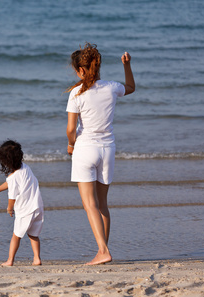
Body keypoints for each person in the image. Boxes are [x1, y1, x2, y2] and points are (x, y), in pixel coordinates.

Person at [66, 43, 135, 265]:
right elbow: (131, 87)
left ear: (82, 70)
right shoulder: (111, 87)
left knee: (89, 205)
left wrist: (70, 144)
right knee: (102, 203)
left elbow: (70, 129)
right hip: (108, 150)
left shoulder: (77, 92)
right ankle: (102, 250)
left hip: (86, 149)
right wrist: (127, 65)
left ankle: (103, 251)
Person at [0, 140, 44, 266]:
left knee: (16, 235)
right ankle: (37, 259)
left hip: (25, 210)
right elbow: (10, 183)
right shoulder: (25, 167)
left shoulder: (13, 177)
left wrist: (9, 208)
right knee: (33, 234)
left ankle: (10, 260)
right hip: (37, 206)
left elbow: (12, 195)